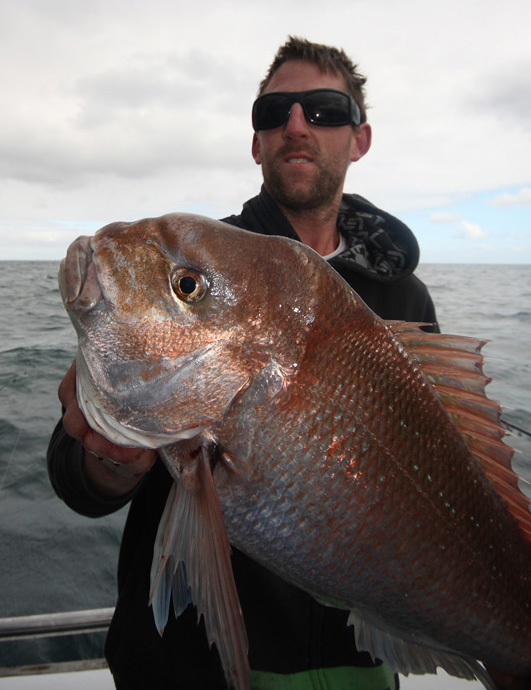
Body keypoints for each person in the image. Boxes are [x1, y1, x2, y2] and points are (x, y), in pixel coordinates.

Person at [48, 37, 521, 690]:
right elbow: (73, 477)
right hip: (192, 670)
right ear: (255, 141)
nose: (296, 125)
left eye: (324, 109)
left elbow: (461, 474)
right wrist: (105, 460)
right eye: (273, 112)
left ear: (359, 138)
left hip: (357, 668)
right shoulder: (204, 255)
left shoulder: (403, 297)